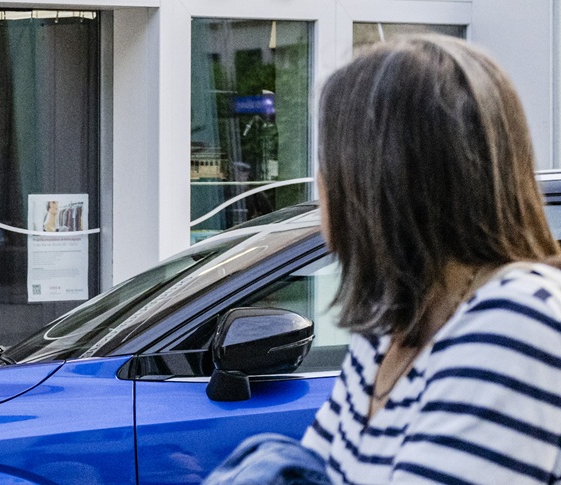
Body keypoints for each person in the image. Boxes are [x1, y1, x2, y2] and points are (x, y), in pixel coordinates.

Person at [214, 33, 561, 484]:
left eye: (331, 160)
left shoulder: (513, 322)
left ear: (376, 180)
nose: (320, 180)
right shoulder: (393, 323)